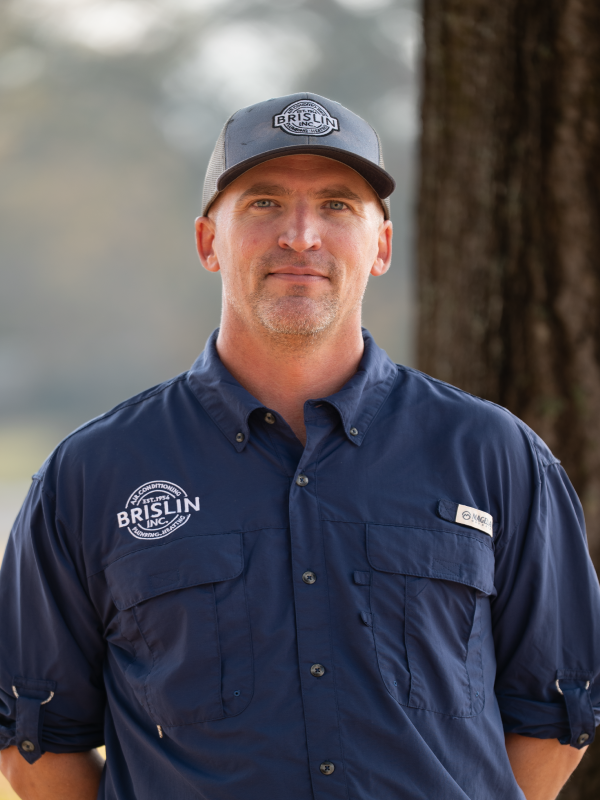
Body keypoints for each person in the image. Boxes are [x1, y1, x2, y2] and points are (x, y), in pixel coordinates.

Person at [0, 92, 598, 800]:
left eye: (339, 205)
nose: (301, 235)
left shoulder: (494, 454)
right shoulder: (93, 474)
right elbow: (37, 739)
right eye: (263, 203)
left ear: (380, 246)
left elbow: (559, 712)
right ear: (207, 242)